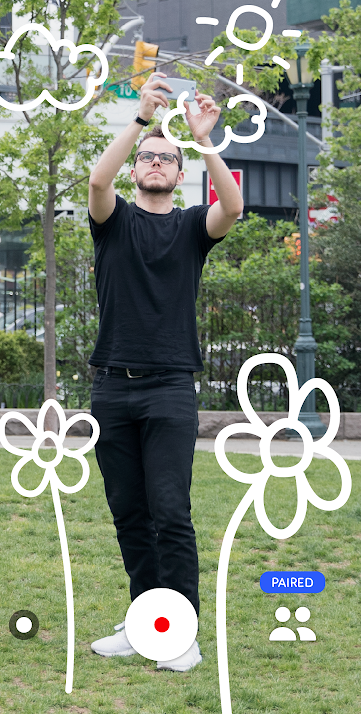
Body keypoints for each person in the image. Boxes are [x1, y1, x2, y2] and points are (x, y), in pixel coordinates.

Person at [88, 72, 244, 671]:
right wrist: (140, 119)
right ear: (136, 170)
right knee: (129, 514)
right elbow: (97, 180)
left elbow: (233, 206)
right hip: (112, 388)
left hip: (170, 390)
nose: (155, 162)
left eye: (167, 159)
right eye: (148, 157)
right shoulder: (113, 221)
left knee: (170, 512)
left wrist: (203, 140)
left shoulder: (191, 228)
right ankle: (142, 622)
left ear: (180, 175)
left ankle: (180, 635)